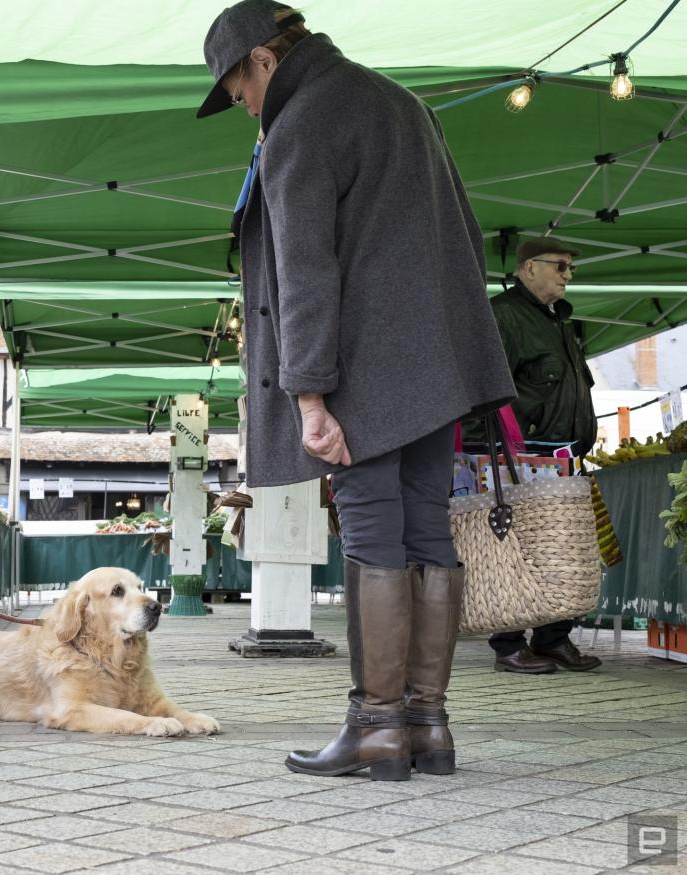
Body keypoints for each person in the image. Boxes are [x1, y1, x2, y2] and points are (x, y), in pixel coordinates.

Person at [197, 0, 516, 780]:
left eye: (238, 91)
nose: (244, 108)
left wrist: (308, 394)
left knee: (373, 533)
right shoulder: (404, 103)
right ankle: (427, 726)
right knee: (426, 532)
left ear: (262, 62)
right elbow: (466, 237)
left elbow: (304, 273)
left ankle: (376, 729)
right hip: (432, 364)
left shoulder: (301, 123)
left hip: (359, 370)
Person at [481, 238, 602, 674]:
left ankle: (553, 637)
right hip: (519, 455)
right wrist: (496, 450)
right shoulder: (505, 316)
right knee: (516, 550)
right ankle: (508, 643)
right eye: (561, 266)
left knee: (559, 551)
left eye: (571, 268)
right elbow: (488, 391)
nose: (568, 275)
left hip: (562, 455)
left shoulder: (557, 321)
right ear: (529, 267)